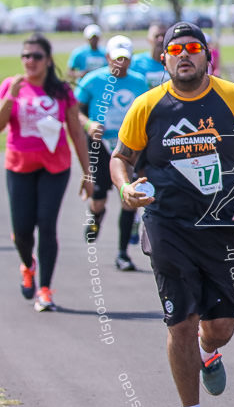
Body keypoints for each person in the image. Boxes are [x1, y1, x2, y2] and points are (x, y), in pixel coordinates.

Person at [110, 22, 234, 407]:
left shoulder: (233, 97)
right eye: (175, 49)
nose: (184, 55)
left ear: (207, 55)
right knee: (180, 320)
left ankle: (209, 350)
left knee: (218, 326)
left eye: (192, 48)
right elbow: (120, 158)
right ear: (164, 58)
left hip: (225, 225)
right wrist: (126, 188)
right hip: (167, 225)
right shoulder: (147, 106)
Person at [0, 34, 93, 311]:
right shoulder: (11, 86)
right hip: (19, 166)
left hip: (55, 168)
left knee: (47, 224)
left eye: (36, 56)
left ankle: (45, 289)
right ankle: (28, 265)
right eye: (26, 56)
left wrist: (87, 174)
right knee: (22, 230)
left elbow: (76, 133)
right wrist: (10, 98)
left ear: (48, 60)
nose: (30, 61)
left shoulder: (62, 91)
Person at [77, 35, 150, 271]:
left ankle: (122, 254)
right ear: (107, 57)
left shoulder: (139, 83)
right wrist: (88, 125)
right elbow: (75, 111)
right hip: (99, 146)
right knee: (98, 199)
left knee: (128, 198)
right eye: (116, 58)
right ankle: (95, 217)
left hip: (129, 147)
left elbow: (149, 113)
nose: (121, 63)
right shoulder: (92, 80)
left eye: (125, 59)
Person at [131, 22, 169, 88]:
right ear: (148, 39)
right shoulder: (135, 62)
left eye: (164, 35)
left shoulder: (174, 62)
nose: (161, 39)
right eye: (156, 36)